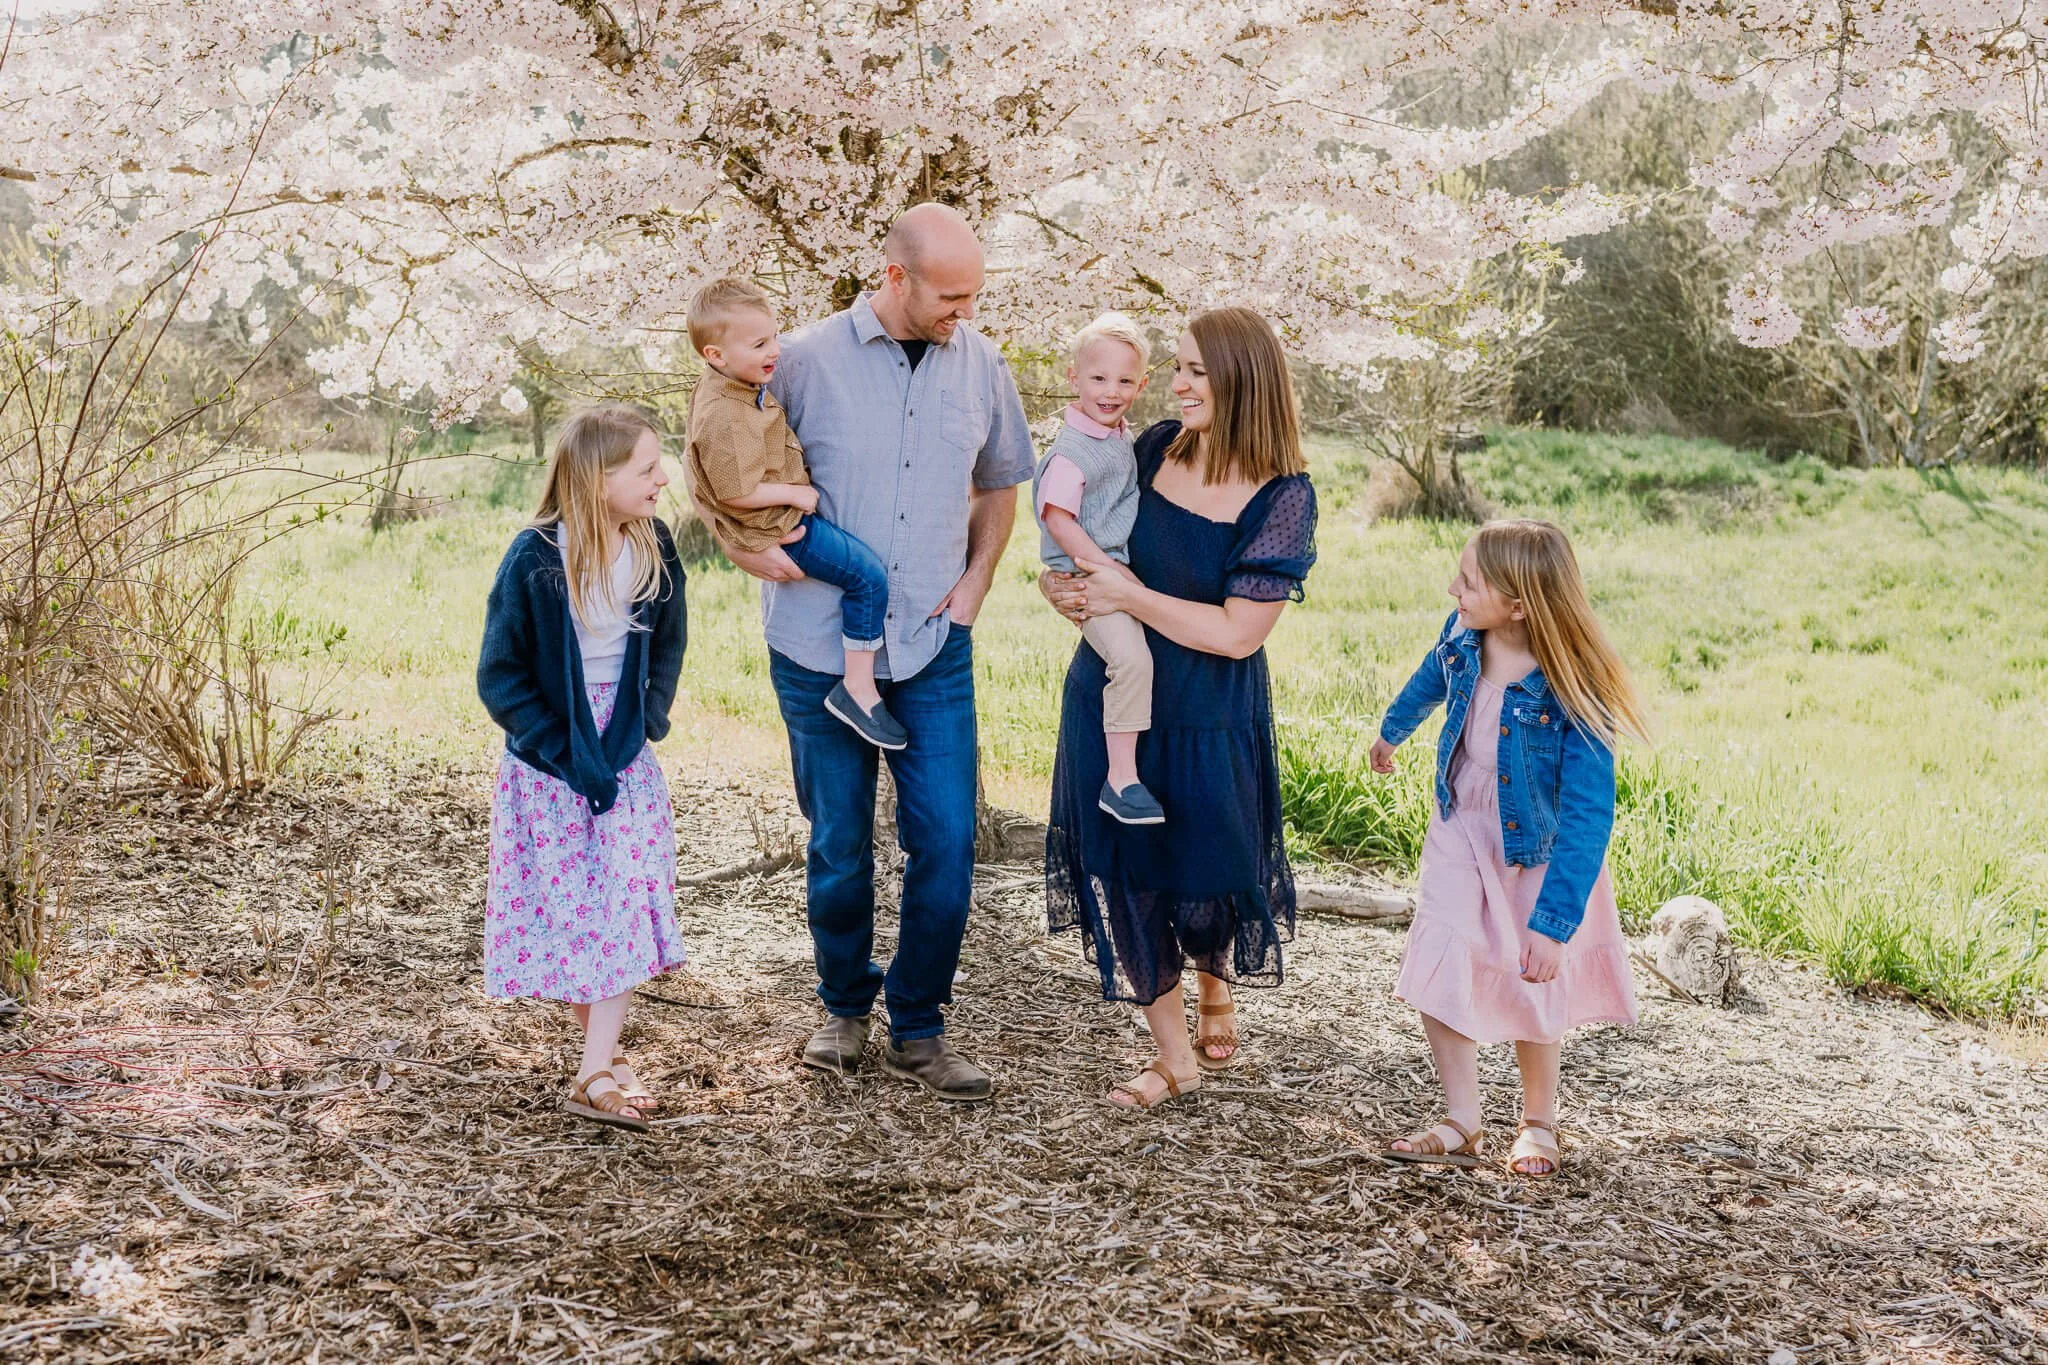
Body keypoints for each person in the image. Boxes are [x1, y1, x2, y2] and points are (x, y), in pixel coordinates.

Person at [694, 204, 1034, 1102]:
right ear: (895, 277)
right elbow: (715, 461)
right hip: (814, 646)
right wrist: (733, 543)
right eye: (949, 295)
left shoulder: (983, 365)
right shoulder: (799, 360)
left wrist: (979, 581)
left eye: (973, 295)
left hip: (931, 642)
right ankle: (842, 1006)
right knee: (840, 841)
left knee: (949, 840)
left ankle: (919, 1024)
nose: (963, 311)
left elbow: (1002, 481)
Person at [1040, 307, 1318, 1110]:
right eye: (1180, 368)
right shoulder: (1154, 445)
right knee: (1127, 870)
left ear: (1242, 381)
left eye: (1198, 370)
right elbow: (1083, 536)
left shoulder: (1282, 496)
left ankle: (1215, 978)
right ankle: (1171, 1056)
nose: (1179, 383)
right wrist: (1063, 586)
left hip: (1207, 709)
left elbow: (1238, 634)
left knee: (1205, 874)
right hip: (1113, 697)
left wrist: (1131, 593)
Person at [1371, 519, 1647, 1178]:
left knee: (1531, 981)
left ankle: (1537, 1119)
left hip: (1535, 847)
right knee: (1438, 949)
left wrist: (1555, 926)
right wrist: (1392, 731)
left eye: (1468, 581)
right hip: (1460, 823)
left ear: (1520, 604)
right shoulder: (1464, 637)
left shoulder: (1575, 690)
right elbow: (1430, 678)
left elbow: (1587, 815)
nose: (1453, 589)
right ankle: (1462, 1119)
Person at [476, 405, 690, 1133]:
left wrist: (648, 718)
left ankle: (595, 1066)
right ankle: (602, 1061)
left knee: (625, 903)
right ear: (599, 479)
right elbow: (501, 678)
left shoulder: (653, 544)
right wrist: (567, 756)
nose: (664, 478)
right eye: (646, 467)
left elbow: (666, 641)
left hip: (623, 753)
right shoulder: (536, 558)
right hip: (550, 767)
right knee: (581, 917)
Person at [683, 276, 906, 750]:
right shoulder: (724, 411)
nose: (775, 350)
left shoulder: (733, 385)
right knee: (868, 578)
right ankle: (859, 689)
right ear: (716, 356)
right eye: (759, 343)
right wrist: (796, 494)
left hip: (785, 517)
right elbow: (733, 490)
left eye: (775, 337)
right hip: (784, 526)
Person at [1032, 312, 1163, 825]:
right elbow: (1059, 521)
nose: (1111, 392)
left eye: (1125, 381)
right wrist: (1108, 570)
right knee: (1131, 661)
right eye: (1098, 378)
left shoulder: (1116, 437)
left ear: (1142, 384)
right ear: (1073, 378)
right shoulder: (1071, 453)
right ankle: (1121, 780)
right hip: (1090, 577)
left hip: (1106, 568)